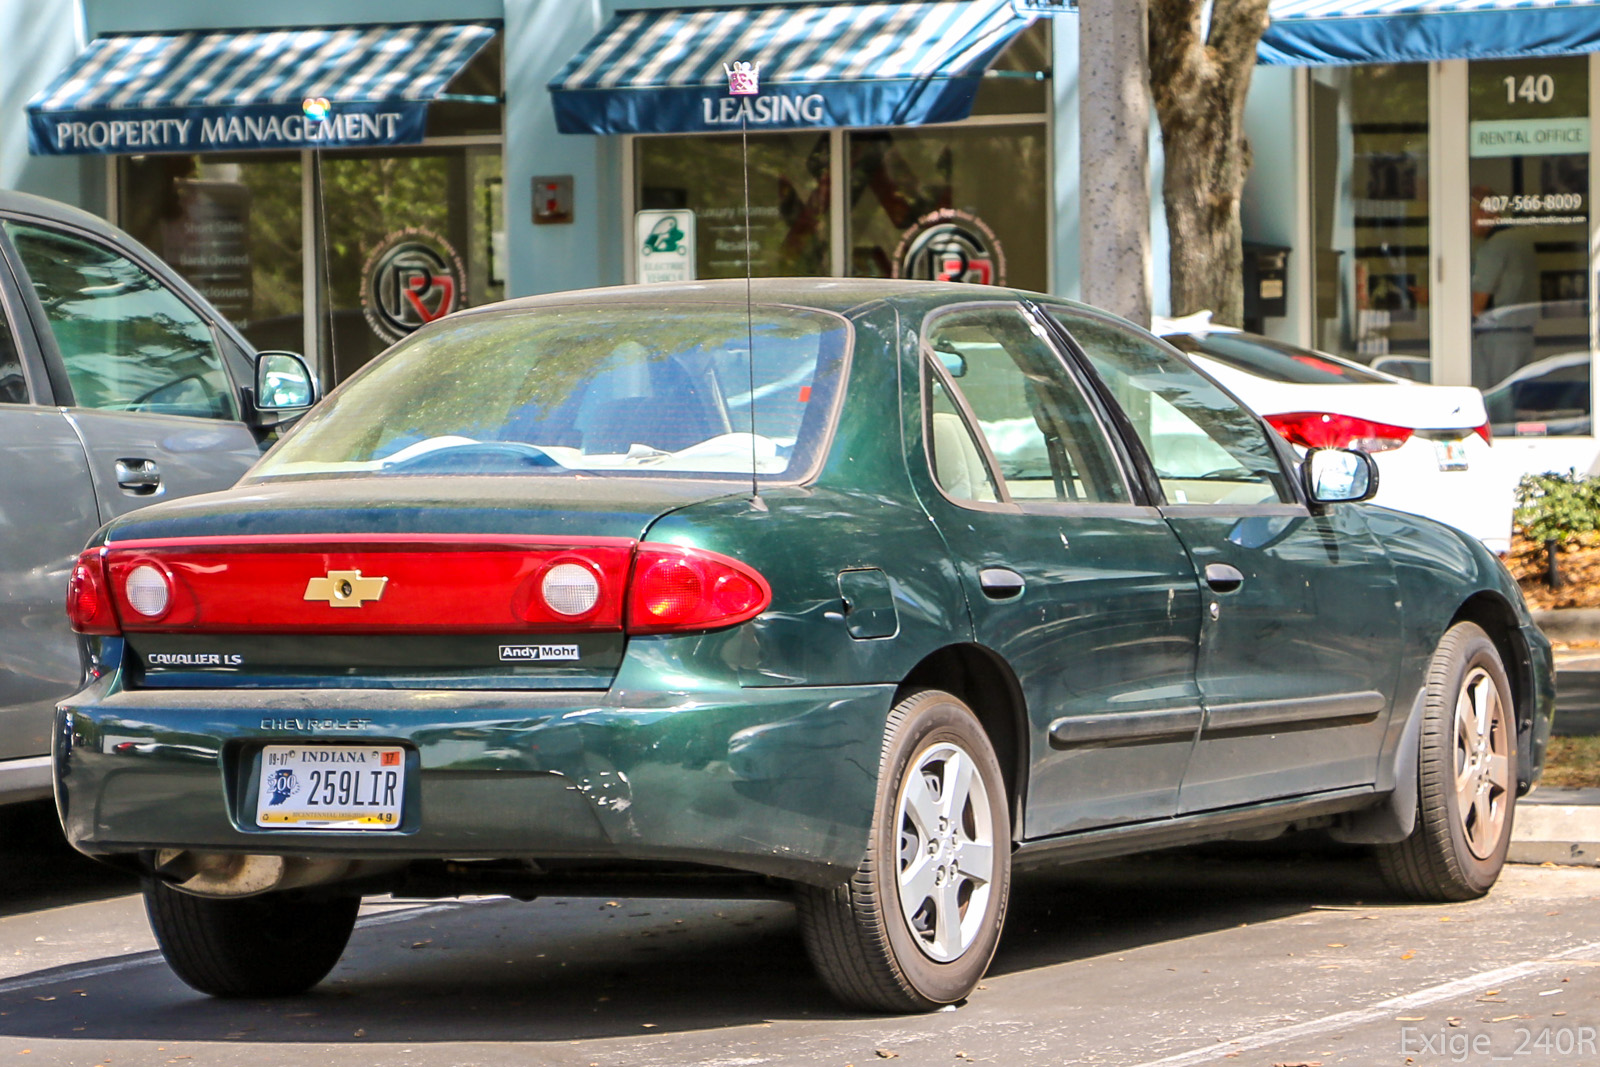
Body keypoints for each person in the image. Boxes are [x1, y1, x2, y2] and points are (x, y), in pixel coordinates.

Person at [1469, 185, 1540, 391]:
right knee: (1515, 400)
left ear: (1485, 213)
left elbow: (1478, 305)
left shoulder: (1494, 247)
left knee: (1497, 403)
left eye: (1470, 214)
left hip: (1498, 339)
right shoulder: (1522, 240)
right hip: (1525, 336)